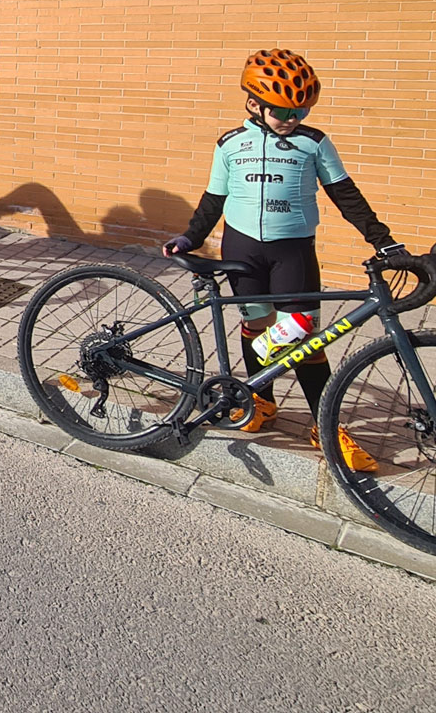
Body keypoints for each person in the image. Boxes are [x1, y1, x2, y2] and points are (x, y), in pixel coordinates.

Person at [161, 49, 406, 472]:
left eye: (301, 108)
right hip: (241, 249)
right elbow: (213, 199)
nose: (292, 117)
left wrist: (384, 243)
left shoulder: (314, 143)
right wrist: (191, 236)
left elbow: (346, 195)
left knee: (306, 337)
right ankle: (261, 403)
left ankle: (325, 424)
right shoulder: (230, 143)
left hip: (292, 251)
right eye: (281, 109)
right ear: (253, 104)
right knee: (255, 325)